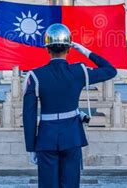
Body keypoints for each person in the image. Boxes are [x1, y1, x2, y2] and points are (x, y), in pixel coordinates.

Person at [23, 23, 117, 188]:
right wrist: (84, 51)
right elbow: (110, 70)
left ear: (47, 49)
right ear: (69, 49)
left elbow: (29, 115)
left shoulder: (35, 76)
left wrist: (31, 147)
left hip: (46, 139)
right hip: (72, 136)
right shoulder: (79, 71)